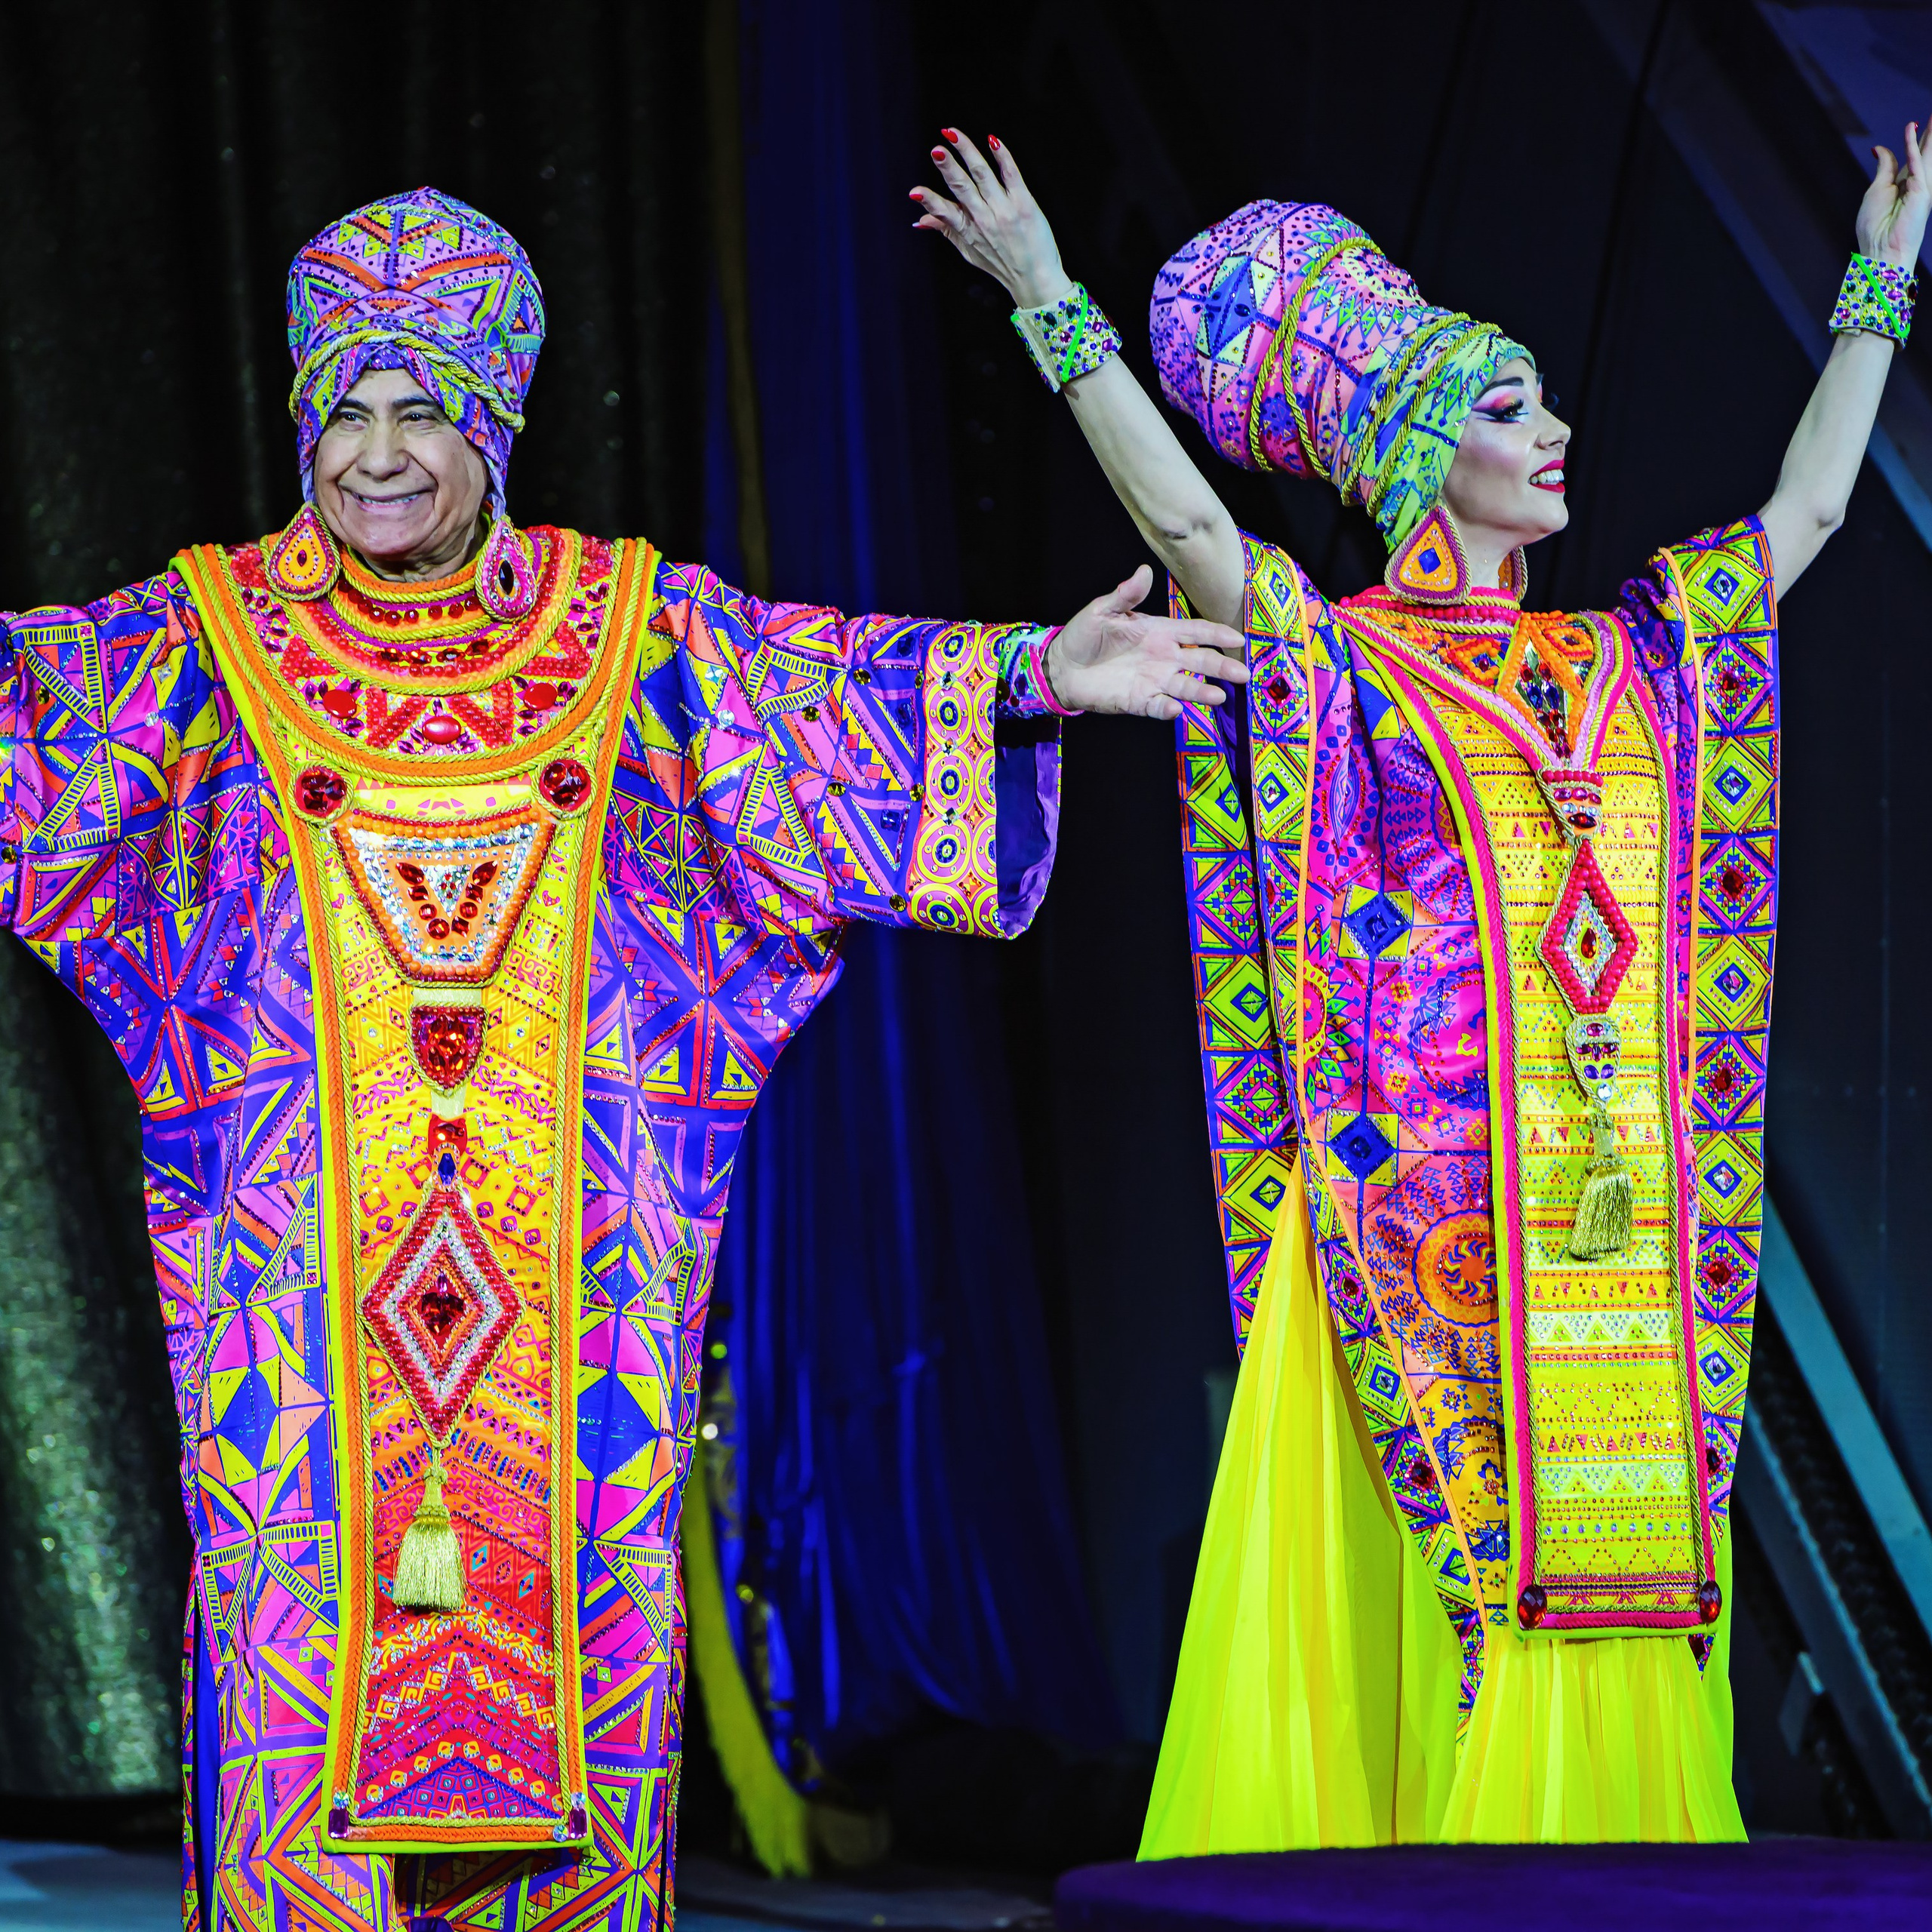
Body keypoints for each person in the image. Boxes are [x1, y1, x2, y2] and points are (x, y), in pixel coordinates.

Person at [0, 186, 1247, 1929]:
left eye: (419, 406)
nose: (374, 452)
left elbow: (831, 695)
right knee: (300, 1760)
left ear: (491, 421)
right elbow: (24, 723)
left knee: (577, 1751)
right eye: (343, 410)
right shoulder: (204, 653)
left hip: (571, 1344)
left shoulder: (627, 639)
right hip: (299, 1369)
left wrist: (1041, 671)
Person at [913, 121, 1928, 1845]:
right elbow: (1179, 516)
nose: (1550, 434)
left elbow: (1811, 507)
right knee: (1454, 1601)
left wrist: (1877, 285)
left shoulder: (1635, 655)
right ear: (1406, 452)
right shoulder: (1343, 665)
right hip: (1421, 1237)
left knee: (1605, 1598)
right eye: (1503, 409)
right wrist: (1043, 299)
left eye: (1540, 407)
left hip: (1601, 1234)